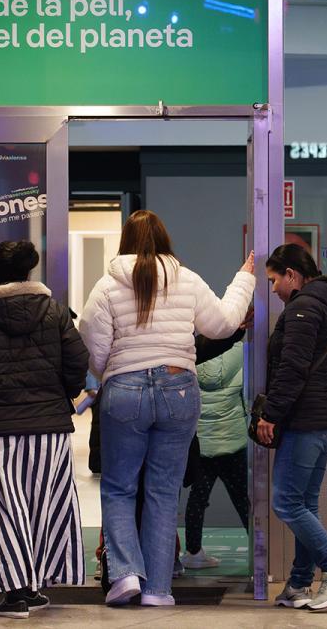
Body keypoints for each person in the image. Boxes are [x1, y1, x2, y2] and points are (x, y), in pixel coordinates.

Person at [79, 210, 253, 607]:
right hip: (179, 388)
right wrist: (244, 278)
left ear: (125, 241)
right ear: (164, 240)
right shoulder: (186, 279)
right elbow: (224, 323)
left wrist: (116, 373)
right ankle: (158, 589)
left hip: (125, 390)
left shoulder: (106, 286)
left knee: (120, 488)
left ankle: (124, 575)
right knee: (163, 491)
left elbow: (94, 347)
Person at [0, 241, 89, 618]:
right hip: (50, 428)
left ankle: (15, 596)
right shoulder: (55, 312)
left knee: (7, 507)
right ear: (28, 274)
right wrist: (63, 394)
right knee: (45, 505)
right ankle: (35, 585)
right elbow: (78, 360)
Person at [258, 243, 327, 612]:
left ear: (292, 275)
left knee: (286, 502)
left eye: (274, 280)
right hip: (326, 419)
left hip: (309, 420)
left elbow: (293, 368)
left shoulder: (304, 306)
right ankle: (300, 584)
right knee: (304, 502)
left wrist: (270, 414)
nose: (273, 289)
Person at [181, 340, 251, 570]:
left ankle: (193, 553)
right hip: (233, 440)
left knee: (197, 499)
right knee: (243, 500)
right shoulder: (242, 352)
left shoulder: (192, 351)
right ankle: (260, 551)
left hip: (202, 442)